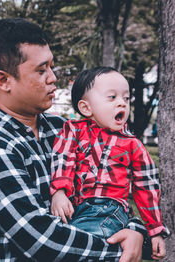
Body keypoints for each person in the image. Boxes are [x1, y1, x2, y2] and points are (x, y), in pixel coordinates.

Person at [0, 18, 147, 262]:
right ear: (4, 80)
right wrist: (120, 251)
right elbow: (39, 240)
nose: (53, 77)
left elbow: (109, 191)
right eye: (41, 70)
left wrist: (135, 230)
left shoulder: (65, 130)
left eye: (52, 66)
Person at [50, 67, 170, 261]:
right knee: (64, 243)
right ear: (86, 108)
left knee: (83, 245)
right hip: (74, 207)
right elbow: (62, 158)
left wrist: (155, 230)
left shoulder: (133, 145)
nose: (122, 103)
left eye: (126, 98)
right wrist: (59, 192)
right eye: (112, 97)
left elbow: (146, 187)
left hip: (108, 208)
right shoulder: (73, 131)